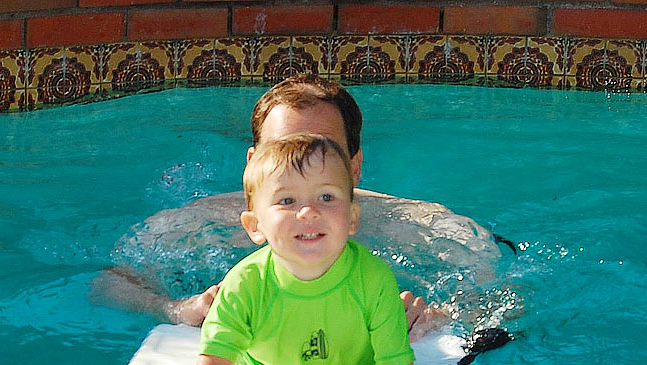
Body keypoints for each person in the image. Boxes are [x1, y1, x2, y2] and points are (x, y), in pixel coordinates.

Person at [93, 74, 499, 339]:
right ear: (252, 163)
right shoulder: (188, 224)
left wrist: (439, 316)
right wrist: (175, 308)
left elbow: (501, 300)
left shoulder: (426, 226)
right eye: (283, 150)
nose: (304, 166)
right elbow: (110, 285)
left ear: (354, 166)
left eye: (325, 151)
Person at [192, 134, 415, 365]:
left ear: (352, 217)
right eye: (287, 200)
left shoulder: (374, 280)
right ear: (254, 226)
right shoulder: (244, 284)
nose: (308, 211)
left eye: (326, 197)